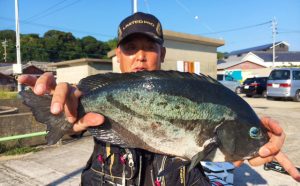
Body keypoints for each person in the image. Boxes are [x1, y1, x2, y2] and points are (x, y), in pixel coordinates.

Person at [18, 12, 300, 185]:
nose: (140, 55)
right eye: (130, 48)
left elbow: (212, 161)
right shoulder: (99, 96)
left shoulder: (209, 104)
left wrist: (255, 145)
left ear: (162, 54)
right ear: (118, 55)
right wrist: (67, 122)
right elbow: (79, 126)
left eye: (149, 47)